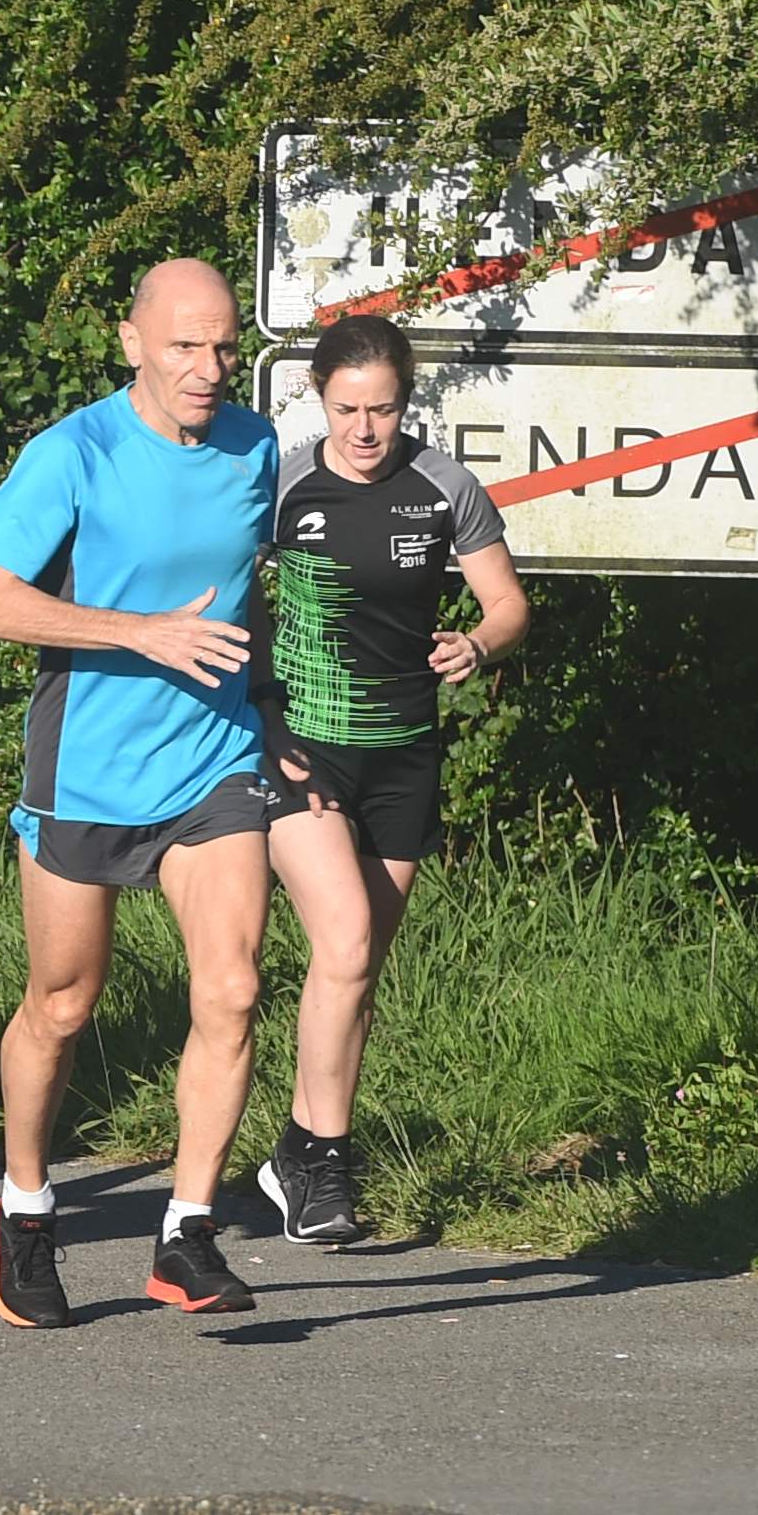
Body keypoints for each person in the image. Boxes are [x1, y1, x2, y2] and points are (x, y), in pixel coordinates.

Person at [0, 257, 279, 1329]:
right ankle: (26, 1207)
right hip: (87, 765)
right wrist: (140, 633)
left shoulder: (254, 446)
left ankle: (185, 1232)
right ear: (131, 340)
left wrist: (282, 711)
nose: (209, 367)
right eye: (185, 345)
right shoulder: (75, 451)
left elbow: (250, 596)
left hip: (213, 760)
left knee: (230, 989)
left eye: (226, 345)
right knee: (62, 1003)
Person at [248, 315, 527, 1247]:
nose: (365, 429)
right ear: (317, 400)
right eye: (346, 409)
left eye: (384, 408)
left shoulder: (443, 484)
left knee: (356, 969)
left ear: (408, 401)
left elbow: (507, 602)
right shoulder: (282, 481)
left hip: (407, 752)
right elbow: (228, 597)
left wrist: (478, 644)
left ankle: (296, 1152)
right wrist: (262, 718)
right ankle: (328, 1168)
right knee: (349, 937)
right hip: (304, 747)